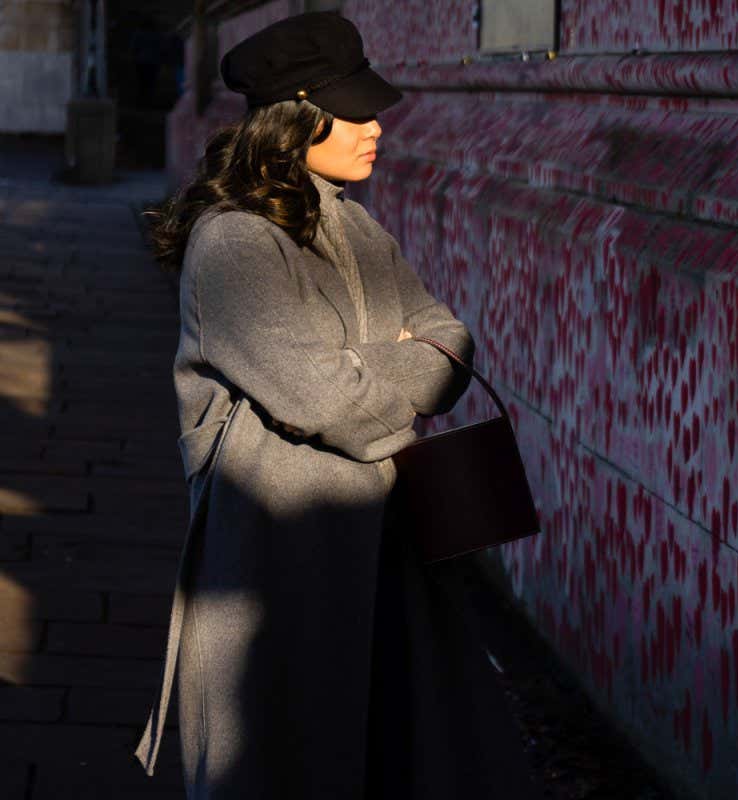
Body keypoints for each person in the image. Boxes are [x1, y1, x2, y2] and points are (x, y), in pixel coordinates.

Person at [132, 11, 536, 799]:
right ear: (296, 120)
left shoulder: (354, 223)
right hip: (275, 564)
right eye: (354, 111)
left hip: (383, 549)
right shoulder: (234, 243)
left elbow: (450, 343)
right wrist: (392, 359)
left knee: (396, 752)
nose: (376, 126)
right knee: (283, 760)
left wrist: (371, 362)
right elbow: (328, 396)